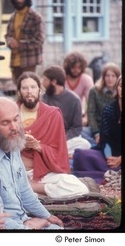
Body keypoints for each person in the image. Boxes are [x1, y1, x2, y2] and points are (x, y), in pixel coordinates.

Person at [0, 97, 64, 230]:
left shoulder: (11, 142)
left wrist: (46, 216)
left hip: (21, 221)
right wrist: (30, 228)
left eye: (16, 119)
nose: (14, 127)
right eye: (5, 122)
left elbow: (24, 189)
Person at [17, 71, 89, 199]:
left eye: (33, 87)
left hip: (43, 173)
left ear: (40, 90)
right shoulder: (11, 114)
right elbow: (0, 146)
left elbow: (59, 152)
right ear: (19, 92)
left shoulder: (52, 114)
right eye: (25, 88)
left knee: (80, 188)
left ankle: (34, 189)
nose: (29, 91)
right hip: (15, 172)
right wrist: (20, 143)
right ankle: (35, 193)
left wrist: (38, 146)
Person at [73, 75, 122, 184]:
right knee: (82, 155)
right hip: (109, 155)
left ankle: (108, 171)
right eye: (121, 86)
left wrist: (120, 159)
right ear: (117, 88)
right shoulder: (109, 110)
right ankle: (110, 169)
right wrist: (109, 157)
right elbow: (104, 138)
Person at [41, 65, 91, 159]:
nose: (43, 83)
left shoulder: (74, 100)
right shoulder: (43, 99)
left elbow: (77, 127)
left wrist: (61, 139)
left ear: (54, 82)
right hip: (48, 139)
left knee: (85, 144)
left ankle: (57, 154)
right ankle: (61, 155)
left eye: (45, 80)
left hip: (66, 139)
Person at [5, 0, 45, 84]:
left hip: (29, 59)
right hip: (15, 60)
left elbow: (40, 40)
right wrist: (10, 41)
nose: (19, 0)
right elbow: (8, 35)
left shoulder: (35, 17)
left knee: (29, 86)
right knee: (18, 88)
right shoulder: (13, 17)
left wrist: (19, 44)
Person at [82, 62, 121, 147]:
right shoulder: (94, 91)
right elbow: (91, 113)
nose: (110, 79)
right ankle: (95, 145)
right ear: (103, 77)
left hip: (112, 129)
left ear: (117, 78)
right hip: (96, 127)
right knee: (81, 132)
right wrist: (96, 133)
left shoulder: (120, 92)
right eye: (107, 76)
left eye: (113, 76)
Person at [63, 51, 94, 126]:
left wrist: (86, 117)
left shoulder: (86, 80)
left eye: (79, 67)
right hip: (62, 114)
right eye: (73, 67)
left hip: (79, 115)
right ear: (68, 67)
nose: (76, 70)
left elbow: (91, 102)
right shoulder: (61, 78)